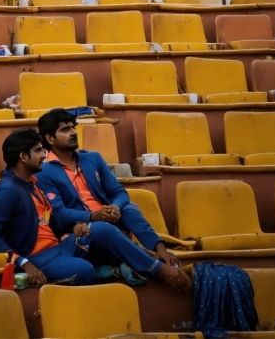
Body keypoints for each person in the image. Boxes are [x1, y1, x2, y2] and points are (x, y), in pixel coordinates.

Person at [0, 128, 191, 291]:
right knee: (84, 270)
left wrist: (73, 230)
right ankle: (122, 266)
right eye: (38, 151)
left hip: (59, 247)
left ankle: (157, 269)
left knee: (102, 229)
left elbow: (46, 220)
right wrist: (25, 263)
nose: (44, 154)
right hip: (37, 257)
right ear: (23, 157)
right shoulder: (8, 189)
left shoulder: (30, 181)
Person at [36, 109, 189, 290]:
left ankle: (160, 250)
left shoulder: (92, 158)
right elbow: (60, 214)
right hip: (78, 231)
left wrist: (115, 207)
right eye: (65, 130)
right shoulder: (43, 171)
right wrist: (94, 216)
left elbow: (120, 192)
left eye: (73, 128)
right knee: (103, 228)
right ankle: (159, 269)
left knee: (128, 208)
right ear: (50, 139)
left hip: (107, 220)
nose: (73, 132)